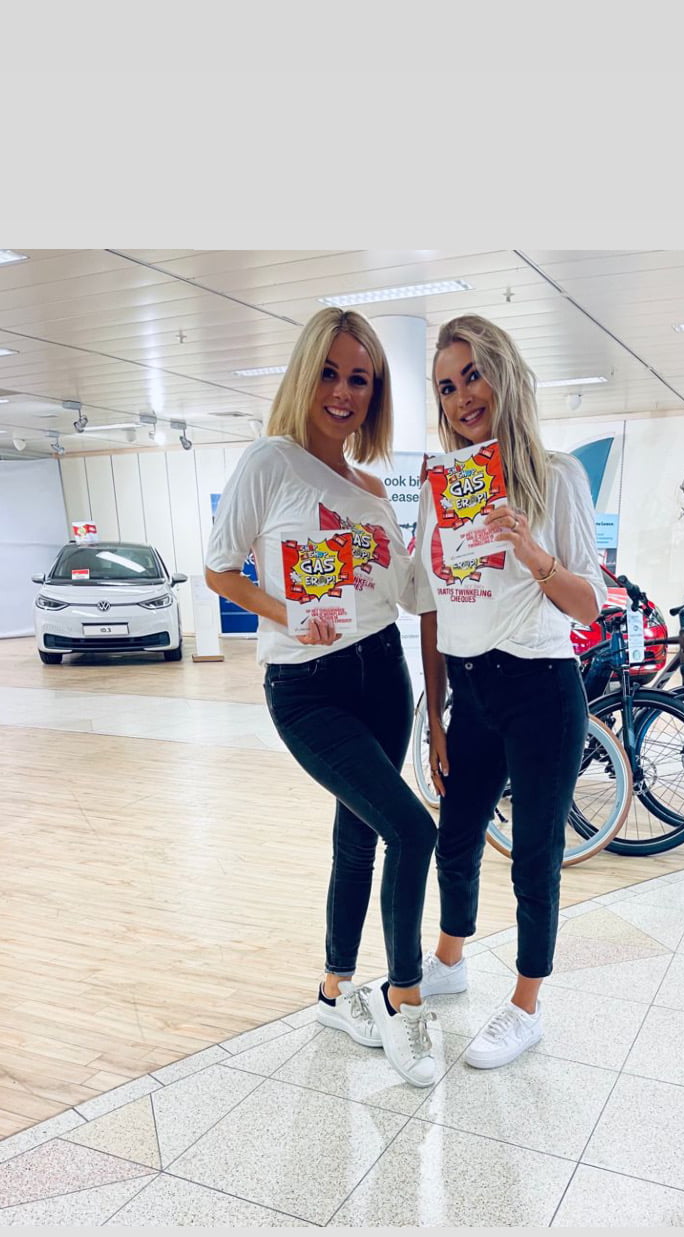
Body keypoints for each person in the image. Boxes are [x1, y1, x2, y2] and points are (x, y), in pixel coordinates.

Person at [205, 307, 437, 1087]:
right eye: (330, 373)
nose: (343, 392)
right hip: (308, 687)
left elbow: (407, 592)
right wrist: (287, 614)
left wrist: (448, 539)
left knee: (361, 833)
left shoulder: (371, 488)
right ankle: (405, 1000)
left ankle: (336, 989)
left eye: (359, 379)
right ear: (306, 375)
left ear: (375, 393)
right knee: (413, 830)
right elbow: (219, 569)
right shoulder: (269, 461)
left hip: (383, 670)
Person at [413, 313, 606, 1069]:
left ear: (505, 376)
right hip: (469, 692)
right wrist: (436, 720)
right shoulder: (440, 489)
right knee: (456, 838)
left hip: (540, 690)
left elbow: (588, 606)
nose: (463, 397)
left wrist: (534, 554)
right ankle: (450, 962)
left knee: (534, 856)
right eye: (446, 386)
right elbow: (432, 607)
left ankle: (527, 1006)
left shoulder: (558, 476)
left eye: (474, 376)